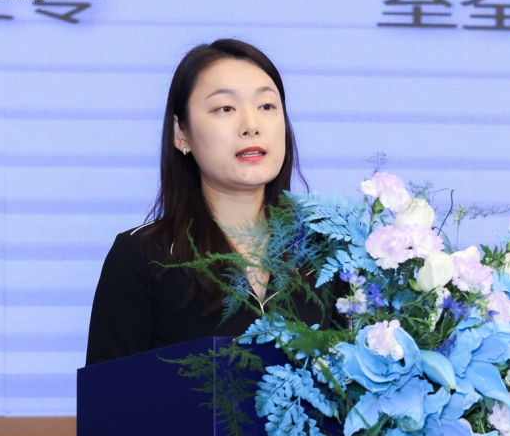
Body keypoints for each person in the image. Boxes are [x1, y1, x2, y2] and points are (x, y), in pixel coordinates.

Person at [85, 39, 336, 366]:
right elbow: (107, 394)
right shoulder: (144, 258)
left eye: (266, 106)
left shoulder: (329, 250)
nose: (251, 126)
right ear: (181, 133)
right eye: (225, 108)